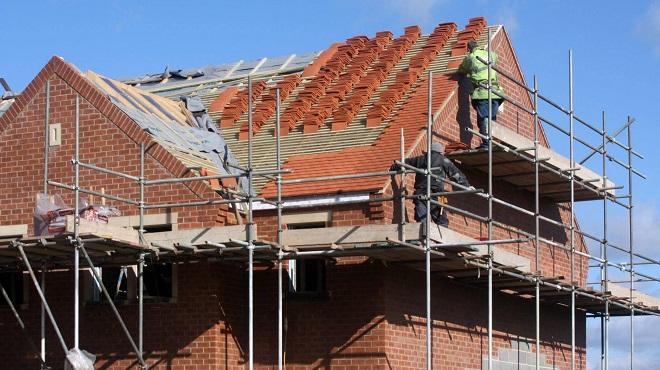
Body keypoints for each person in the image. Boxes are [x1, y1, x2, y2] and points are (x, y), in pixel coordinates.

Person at [390, 142, 470, 227]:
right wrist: (467, 186)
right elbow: (456, 174)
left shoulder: (421, 159)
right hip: (437, 193)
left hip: (420, 193)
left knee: (421, 219)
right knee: (441, 219)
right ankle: (441, 238)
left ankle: (423, 238)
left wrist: (394, 167)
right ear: (440, 152)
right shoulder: (443, 160)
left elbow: (406, 163)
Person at [458, 40, 505, 149]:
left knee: (484, 118)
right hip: (495, 92)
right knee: (492, 118)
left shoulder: (471, 57)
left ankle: (486, 144)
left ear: (469, 49)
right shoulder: (491, 55)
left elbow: (462, 70)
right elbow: (495, 58)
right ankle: (490, 142)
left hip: (483, 92)